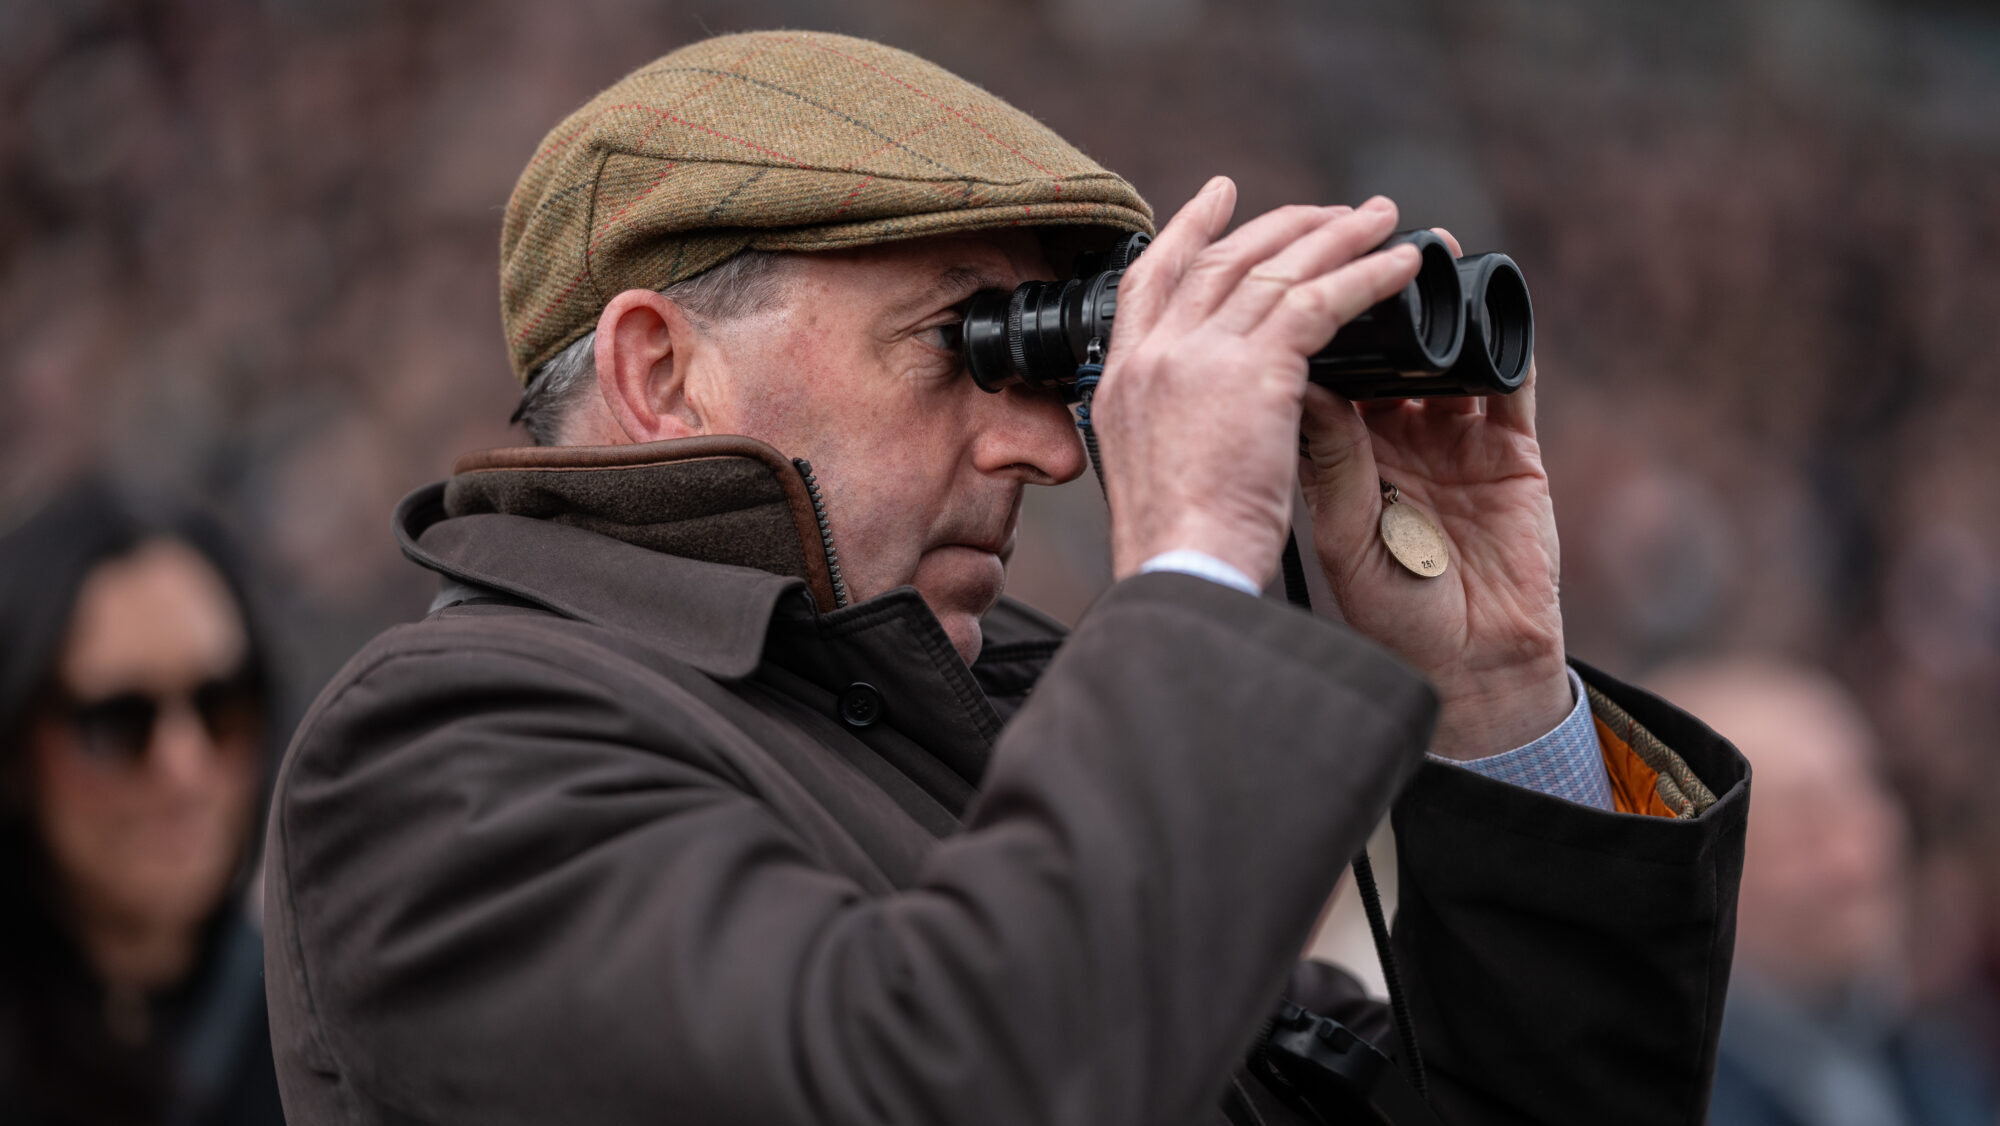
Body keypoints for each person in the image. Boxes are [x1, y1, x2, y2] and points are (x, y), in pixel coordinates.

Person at [263, 31, 1749, 1125]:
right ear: (662, 368)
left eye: (1056, 357)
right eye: (967, 341)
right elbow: (931, 1083)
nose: (1052, 443)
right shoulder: (439, 751)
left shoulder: (1017, 715)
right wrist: (1187, 571)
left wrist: (1490, 702)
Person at [0, 480, 288, 1126]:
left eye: (222, 709)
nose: (185, 770)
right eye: (116, 722)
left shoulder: (333, 1042)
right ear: (14, 753)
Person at [1650, 658, 1997, 1126]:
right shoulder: (1648, 1092)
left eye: (1868, 792)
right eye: (1804, 825)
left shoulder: (1929, 1057)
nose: (1860, 857)